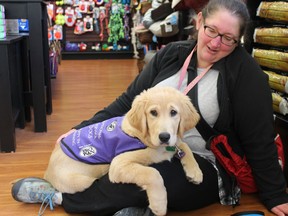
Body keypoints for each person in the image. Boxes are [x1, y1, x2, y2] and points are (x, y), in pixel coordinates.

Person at [11, 0, 288, 215]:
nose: (216, 43)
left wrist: (275, 195)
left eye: (228, 38)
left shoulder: (246, 75)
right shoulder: (170, 54)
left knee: (147, 180)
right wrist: (79, 128)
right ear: (200, 21)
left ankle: (59, 197)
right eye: (211, 30)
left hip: (203, 161)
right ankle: (123, 209)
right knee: (122, 169)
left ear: (239, 39)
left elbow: (259, 139)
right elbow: (126, 101)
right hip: (151, 146)